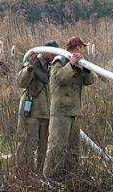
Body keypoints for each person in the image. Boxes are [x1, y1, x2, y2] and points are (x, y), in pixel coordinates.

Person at [43, 37, 96, 178]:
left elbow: (90, 81)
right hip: (61, 112)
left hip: (74, 112)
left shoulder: (80, 63)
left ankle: (70, 178)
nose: (83, 50)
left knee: (73, 149)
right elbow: (59, 79)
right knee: (57, 147)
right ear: (77, 47)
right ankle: (50, 178)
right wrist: (71, 64)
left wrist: (86, 69)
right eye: (82, 47)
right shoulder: (59, 61)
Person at [14, 40, 59, 174]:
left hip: (46, 113)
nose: (53, 56)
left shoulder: (53, 66)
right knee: (27, 144)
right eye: (51, 53)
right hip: (31, 112)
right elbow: (20, 82)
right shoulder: (33, 61)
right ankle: (24, 175)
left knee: (44, 147)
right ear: (45, 51)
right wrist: (29, 68)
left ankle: (40, 175)